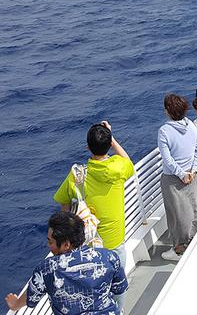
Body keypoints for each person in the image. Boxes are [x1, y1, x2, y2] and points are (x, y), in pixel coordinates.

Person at [53, 121, 134, 309]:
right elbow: (128, 161)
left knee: (92, 291)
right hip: (115, 241)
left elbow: (63, 204)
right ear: (108, 145)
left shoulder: (77, 174)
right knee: (117, 287)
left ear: (88, 147)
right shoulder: (118, 167)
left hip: (88, 245)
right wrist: (112, 140)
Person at [5, 211, 127, 315]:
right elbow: (119, 288)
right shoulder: (109, 256)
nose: (48, 246)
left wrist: (15, 304)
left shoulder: (47, 269)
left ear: (66, 245)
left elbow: (31, 298)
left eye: (50, 242)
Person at [157, 93, 197, 262]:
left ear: (168, 111)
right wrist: (193, 171)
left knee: (176, 214)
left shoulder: (164, 131)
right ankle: (196, 238)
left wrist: (181, 174)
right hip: (192, 174)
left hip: (173, 179)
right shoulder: (192, 126)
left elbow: (168, 159)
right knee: (194, 207)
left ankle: (179, 249)